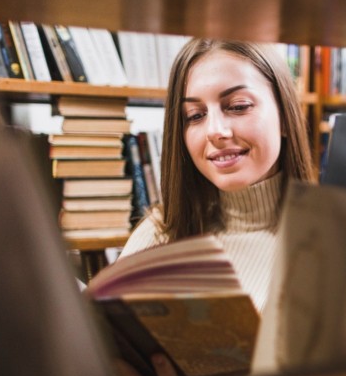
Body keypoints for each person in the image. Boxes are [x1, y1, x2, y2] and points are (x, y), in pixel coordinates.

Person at [120, 37, 317, 321]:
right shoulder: (159, 233)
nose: (215, 131)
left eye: (237, 106)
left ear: (285, 117)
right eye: (195, 115)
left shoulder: (328, 245)